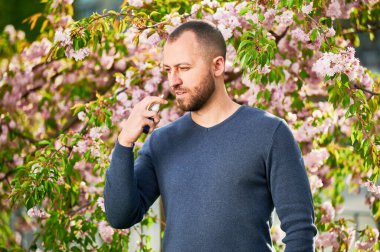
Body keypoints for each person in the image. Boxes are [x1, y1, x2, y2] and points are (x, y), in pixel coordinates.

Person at [104, 20, 317, 251]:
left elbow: (300, 230)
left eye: (184, 68)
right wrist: (125, 142)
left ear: (217, 66)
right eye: (168, 70)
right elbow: (121, 216)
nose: (174, 80)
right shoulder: (161, 142)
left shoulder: (270, 133)